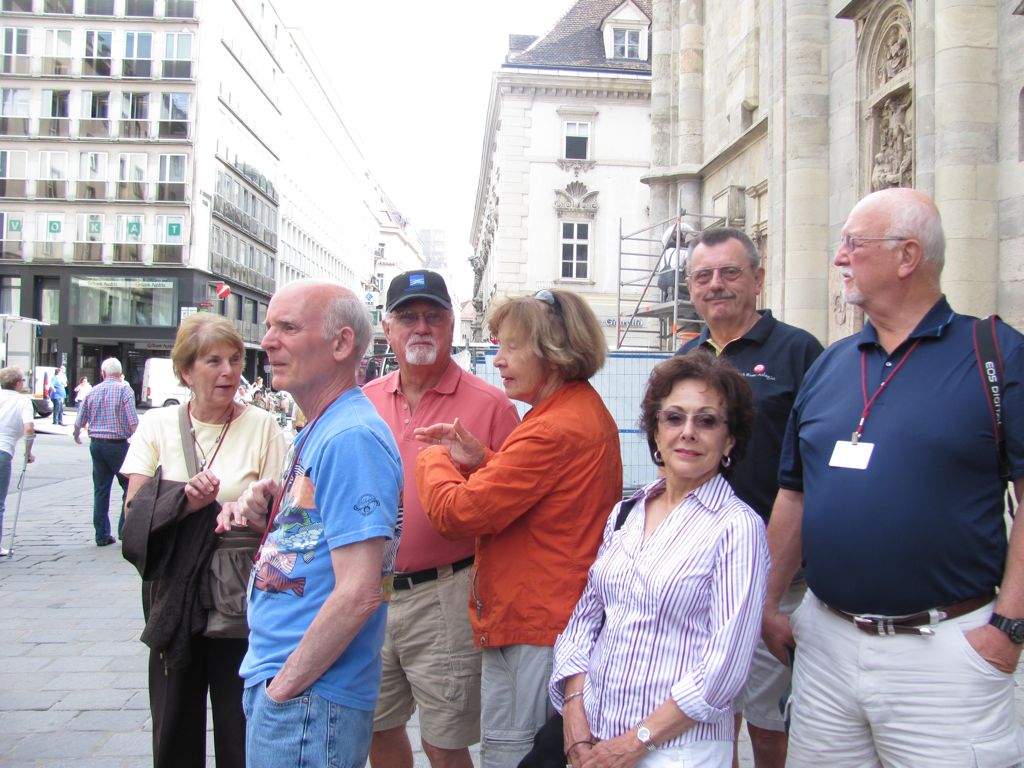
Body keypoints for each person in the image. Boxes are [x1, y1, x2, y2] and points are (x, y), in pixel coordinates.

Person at [762, 187, 1024, 766]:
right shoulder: (831, 363)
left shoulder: (996, 354)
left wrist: (1008, 626)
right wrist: (767, 602)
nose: (838, 258)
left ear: (908, 257)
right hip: (826, 645)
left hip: (946, 656)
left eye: (853, 244)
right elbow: (794, 492)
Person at [415, 289, 622, 768]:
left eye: (510, 346)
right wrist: (483, 460)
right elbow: (542, 502)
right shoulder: (572, 412)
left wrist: (431, 459)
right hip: (548, 617)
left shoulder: (551, 428)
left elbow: (458, 513)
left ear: (551, 352)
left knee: (515, 754)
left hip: (534, 625)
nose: (498, 357)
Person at [550, 352, 768, 767]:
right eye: (673, 418)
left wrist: (633, 744)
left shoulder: (737, 528)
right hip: (596, 740)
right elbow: (585, 622)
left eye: (707, 421)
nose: (687, 432)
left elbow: (724, 670)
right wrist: (575, 717)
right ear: (654, 430)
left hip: (678, 751)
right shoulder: (626, 514)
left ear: (730, 440)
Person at [227, 280, 403, 768]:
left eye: (287, 327)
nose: (267, 341)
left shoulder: (350, 436)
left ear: (342, 344)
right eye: (268, 327)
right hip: (295, 688)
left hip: (308, 696)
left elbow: (360, 591)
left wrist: (284, 687)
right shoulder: (325, 427)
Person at [677, 227, 822, 767]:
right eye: (703, 276)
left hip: (775, 575)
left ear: (758, 279)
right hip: (701, 570)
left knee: (768, 720)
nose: (716, 285)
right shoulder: (687, 358)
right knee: (710, 714)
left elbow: (818, 463)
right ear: (691, 288)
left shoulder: (799, 350)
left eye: (730, 272)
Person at [364, 270, 520, 768]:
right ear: (387, 328)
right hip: (370, 592)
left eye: (433, 316)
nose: (421, 327)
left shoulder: (490, 403)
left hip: (447, 593)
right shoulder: (364, 402)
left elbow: (514, 505)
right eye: (408, 317)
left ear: (452, 325)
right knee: (376, 725)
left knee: (445, 740)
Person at [119, 314, 286, 768]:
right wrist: (186, 504)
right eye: (214, 361)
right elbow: (134, 514)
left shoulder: (264, 426)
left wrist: (251, 508)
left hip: (240, 598)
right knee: (174, 722)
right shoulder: (157, 426)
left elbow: (285, 517)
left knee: (241, 725)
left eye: (235, 360)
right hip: (175, 594)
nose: (230, 371)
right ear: (187, 371)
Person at [73, 358, 138, 546]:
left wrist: (77, 434)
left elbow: (80, 418)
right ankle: (124, 529)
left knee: (101, 489)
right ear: (120, 373)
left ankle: (101, 535)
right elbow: (133, 421)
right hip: (117, 445)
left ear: (103, 373)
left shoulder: (94, 391)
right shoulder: (125, 390)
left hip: (96, 444)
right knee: (129, 486)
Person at [0, 367, 35, 557]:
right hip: (3, 451)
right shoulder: (22, 401)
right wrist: (27, 453)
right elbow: (29, 429)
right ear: (17, 383)